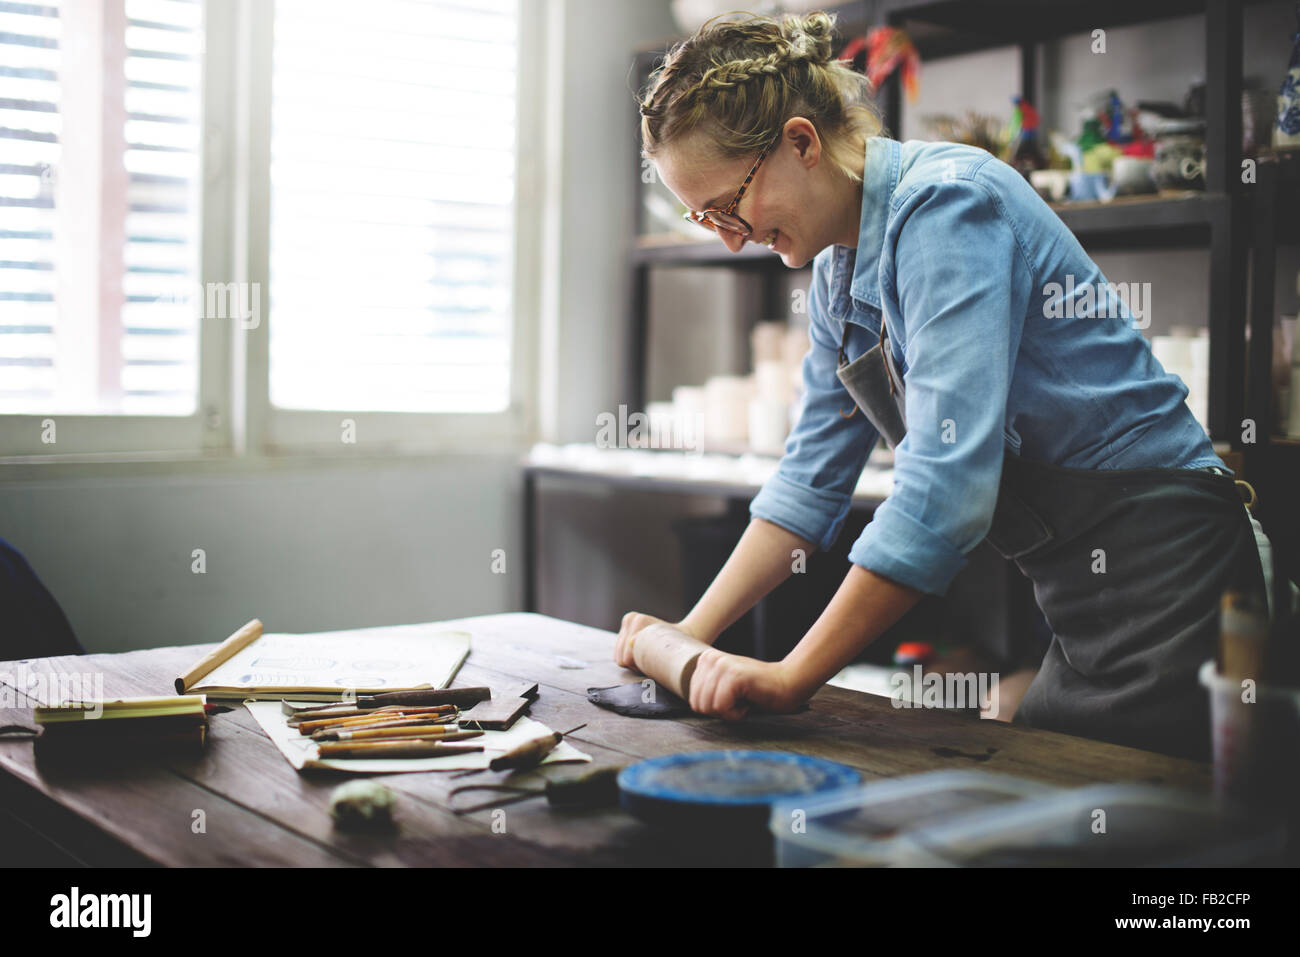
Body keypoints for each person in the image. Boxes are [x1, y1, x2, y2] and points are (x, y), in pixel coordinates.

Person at [615, 10, 1268, 760]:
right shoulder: (837, 274)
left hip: (1175, 580)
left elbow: (945, 489)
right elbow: (807, 484)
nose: (730, 237)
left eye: (731, 205)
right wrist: (689, 633)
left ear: (801, 142)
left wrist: (795, 674)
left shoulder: (949, 206)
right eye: (705, 218)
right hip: (1083, 606)